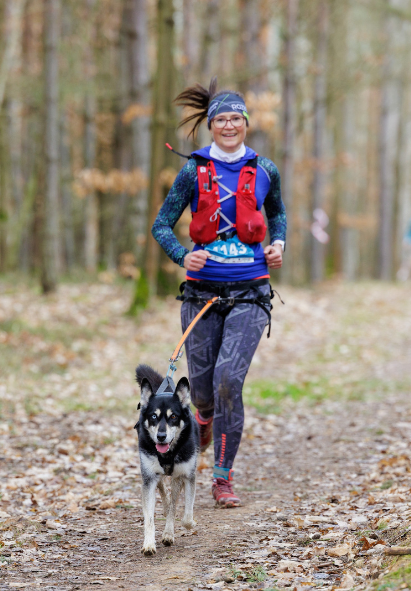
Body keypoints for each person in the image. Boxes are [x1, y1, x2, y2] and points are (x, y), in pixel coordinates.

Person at [151, 78, 287, 508]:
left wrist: (278, 244)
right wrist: (182, 256)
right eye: (221, 119)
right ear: (211, 125)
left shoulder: (265, 170)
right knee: (204, 393)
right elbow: (161, 225)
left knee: (229, 381)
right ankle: (204, 417)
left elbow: (277, 214)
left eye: (236, 119)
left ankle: (223, 478)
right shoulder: (193, 170)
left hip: (251, 292)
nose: (229, 125)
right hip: (201, 295)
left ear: (246, 123)